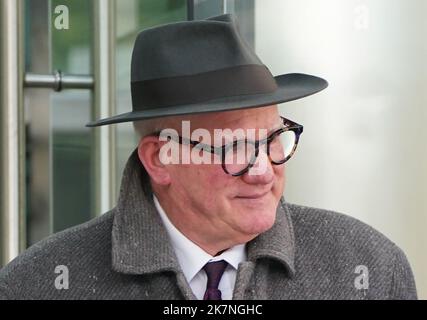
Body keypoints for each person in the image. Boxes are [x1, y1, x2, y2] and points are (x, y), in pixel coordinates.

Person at [0, 14, 417, 300]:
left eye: (274, 138)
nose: (262, 171)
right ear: (159, 159)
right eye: (234, 147)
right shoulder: (38, 282)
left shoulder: (370, 267)